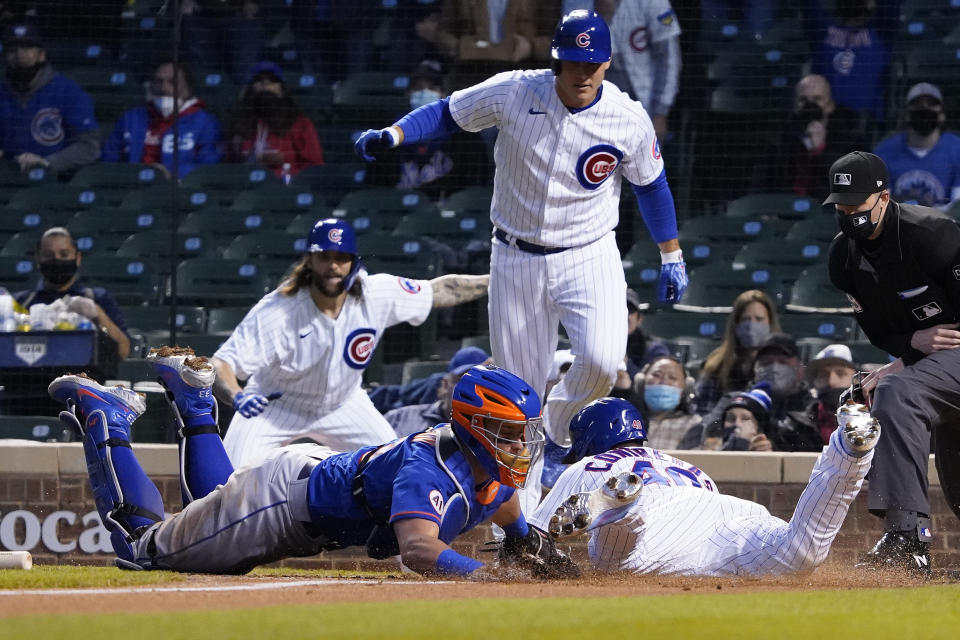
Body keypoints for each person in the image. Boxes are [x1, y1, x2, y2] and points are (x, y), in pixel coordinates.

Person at [355, 9, 688, 516]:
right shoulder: (516, 90)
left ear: (608, 63)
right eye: (572, 62)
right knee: (516, 395)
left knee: (601, 362)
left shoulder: (627, 117)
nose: (582, 72)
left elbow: (652, 185)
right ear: (556, 60)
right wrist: (396, 135)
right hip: (516, 257)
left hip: (589, 253)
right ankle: (517, 527)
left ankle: (554, 429)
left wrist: (672, 254)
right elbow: (448, 112)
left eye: (592, 63)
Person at [47, 349, 576, 579]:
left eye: (523, 434)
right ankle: (106, 419)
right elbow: (418, 548)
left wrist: (527, 541)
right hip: (283, 505)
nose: (520, 447)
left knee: (216, 505)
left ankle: (194, 402)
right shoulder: (431, 467)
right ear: (472, 428)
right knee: (143, 551)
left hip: (304, 481)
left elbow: (504, 505)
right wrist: (488, 577)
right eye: (507, 434)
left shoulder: (488, 475)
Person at [211, 218, 492, 468]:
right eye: (325, 256)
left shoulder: (376, 293)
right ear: (309, 260)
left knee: (397, 466)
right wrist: (238, 396)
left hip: (343, 403)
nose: (333, 265)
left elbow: (439, 290)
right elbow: (222, 363)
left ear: (353, 261)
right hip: (276, 406)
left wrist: (499, 280)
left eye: (341, 257)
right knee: (229, 481)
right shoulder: (279, 310)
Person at [530, 394, 880, 576]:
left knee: (612, 563)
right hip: (727, 516)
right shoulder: (685, 466)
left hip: (654, 526)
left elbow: (533, 538)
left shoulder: (593, 463)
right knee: (799, 552)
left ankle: (622, 509)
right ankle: (848, 452)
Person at [825, 150, 960, 576]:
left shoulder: (933, 234)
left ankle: (906, 540)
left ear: (884, 198)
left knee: (898, 394)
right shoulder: (844, 259)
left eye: (857, 206)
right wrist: (910, 345)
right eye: (841, 208)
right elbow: (880, 332)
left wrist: (900, 366)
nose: (849, 216)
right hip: (937, 369)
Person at [13, 227, 130, 360]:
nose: (56, 259)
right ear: (38, 258)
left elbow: (123, 351)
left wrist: (97, 314)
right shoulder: (21, 302)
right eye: (48, 255)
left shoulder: (98, 298)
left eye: (64, 254)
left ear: (77, 257)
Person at [0, 23, 99, 175]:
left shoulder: (67, 91)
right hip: (7, 179)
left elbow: (89, 147)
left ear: (41, 54)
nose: (19, 54)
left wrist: (48, 162)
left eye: (27, 48)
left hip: (55, 183)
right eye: (12, 49)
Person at [101, 60, 223, 179]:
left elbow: (208, 167)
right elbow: (109, 160)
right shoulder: (131, 118)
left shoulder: (206, 122)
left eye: (172, 82)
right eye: (158, 81)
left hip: (179, 192)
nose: (164, 88)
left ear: (188, 88)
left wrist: (168, 174)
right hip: (132, 190)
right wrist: (134, 174)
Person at [759, 74, 866, 201]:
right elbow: (764, 181)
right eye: (803, 100)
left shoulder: (850, 138)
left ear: (830, 106)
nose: (809, 105)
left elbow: (850, 182)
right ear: (795, 105)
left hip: (828, 209)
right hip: (784, 207)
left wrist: (820, 150)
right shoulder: (779, 138)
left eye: (817, 99)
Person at [802, 0, 898, 122]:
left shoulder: (881, 32)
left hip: (865, 126)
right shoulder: (822, 31)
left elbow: (890, 5)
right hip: (826, 123)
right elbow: (809, 6)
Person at [228, 61, 324, 179]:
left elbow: (315, 168)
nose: (265, 83)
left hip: (286, 190)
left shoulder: (301, 123)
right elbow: (228, 166)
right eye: (259, 80)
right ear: (250, 89)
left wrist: (285, 159)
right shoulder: (240, 122)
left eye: (272, 80)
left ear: (282, 90)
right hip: (246, 188)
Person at [873, 83, 960, 210]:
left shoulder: (957, 149)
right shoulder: (884, 152)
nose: (924, 109)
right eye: (917, 104)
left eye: (931, 104)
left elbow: (957, 208)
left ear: (942, 115)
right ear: (907, 115)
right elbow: (882, 206)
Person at [695, 289, 780, 416]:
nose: (751, 325)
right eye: (745, 319)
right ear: (736, 324)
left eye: (759, 319)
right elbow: (705, 414)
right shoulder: (717, 365)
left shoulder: (782, 365)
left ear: (770, 323)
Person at [606, 0, 682, 141]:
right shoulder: (576, 2)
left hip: (643, 105)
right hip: (594, 106)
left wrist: (660, 113)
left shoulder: (654, 2)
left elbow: (668, 59)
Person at [384, 346, 492, 437]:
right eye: (463, 379)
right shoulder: (400, 417)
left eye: (479, 382)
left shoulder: (492, 431)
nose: (471, 389)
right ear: (446, 385)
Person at [777, 343, 858, 452]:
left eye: (841, 373)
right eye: (824, 375)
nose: (831, 382)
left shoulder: (876, 420)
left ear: (858, 379)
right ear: (814, 382)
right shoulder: (795, 427)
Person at [415, 0, 535, 62]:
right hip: (471, 73)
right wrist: (461, 47)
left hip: (521, 73)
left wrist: (531, 46)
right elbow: (443, 31)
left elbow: (550, 36)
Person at [631, 355, 700, 450]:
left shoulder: (695, 424)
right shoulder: (627, 421)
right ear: (641, 382)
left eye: (672, 378)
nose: (663, 382)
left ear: (686, 388)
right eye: (657, 375)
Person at [685, 382, 774, 451]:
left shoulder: (768, 452)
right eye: (731, 419)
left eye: (745, 419)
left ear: (759, 427)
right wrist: (741, 443)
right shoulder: (707, 448)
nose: (737, 424)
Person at [751, 333, 811, 422]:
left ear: (800, 369)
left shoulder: (813, 408)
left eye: (783, 362)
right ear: (755, 369)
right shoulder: (738, 403)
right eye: (767, 363)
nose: (774, 368)